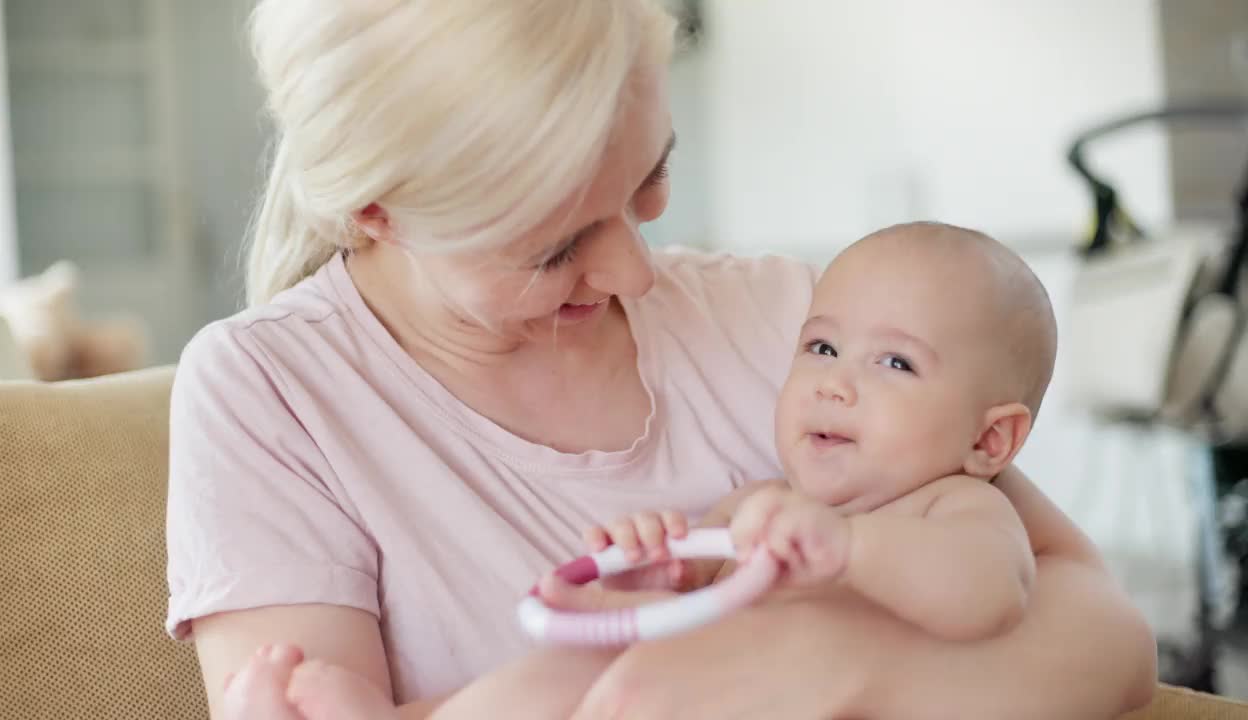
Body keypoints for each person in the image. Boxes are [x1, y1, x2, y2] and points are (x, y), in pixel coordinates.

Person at [164, 2, 1158, 719]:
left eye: (649, 179)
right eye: (554, 246)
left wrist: (838, 667)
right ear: (375, 212)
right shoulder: (270, 397)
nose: (636, 272)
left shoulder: (800, 327)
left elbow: (1101, 628)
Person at [545, 223, 1050, 650]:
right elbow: (692, 624)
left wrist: (849, 547)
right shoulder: (756, 506)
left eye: (896, 362)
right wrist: (655, 584)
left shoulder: (955, 508)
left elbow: (992, 594)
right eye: (823, 347)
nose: (833, 384)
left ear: (989, 440)